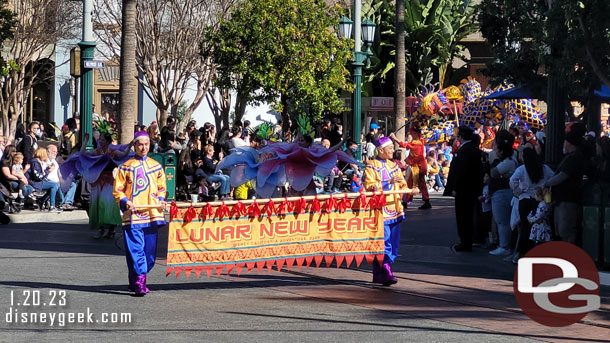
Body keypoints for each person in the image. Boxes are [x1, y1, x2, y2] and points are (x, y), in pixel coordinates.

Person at [113, 131, 167, 296]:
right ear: (135, 146)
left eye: (146, 144)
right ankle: (139, 285)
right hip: (133, 216)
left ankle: (134, 280)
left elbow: (162, 188)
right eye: (140, 144)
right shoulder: (126, 167)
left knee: (149, 254)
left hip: (152, 214)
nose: (143, 148)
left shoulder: (156, 166)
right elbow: (118, 190)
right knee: (136, 250)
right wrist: (125, 201)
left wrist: (162, 199)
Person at [363, 136, 416, 286]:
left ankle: (381, 273)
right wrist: (387, 183)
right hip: (380, 210)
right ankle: (386, 272)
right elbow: (369, 186)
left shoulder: (394, 166)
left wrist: (410, 190)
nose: (393, 150)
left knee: (393, 242)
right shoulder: (371, 166)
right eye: (390, 148)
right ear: (381, 150)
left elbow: (402, 184)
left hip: (394, 209)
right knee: (383, 241)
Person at [509, 147, 553, 262]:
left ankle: (522, 252)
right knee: (539, 226)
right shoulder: (544, 168)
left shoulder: (522, 169)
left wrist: (518, 191)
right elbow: (553, 177)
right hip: (539, 200)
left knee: (525, 227)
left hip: (525, 199)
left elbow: (512, 180)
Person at [544, 122, 586, 245]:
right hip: (562, 199)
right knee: (562, 230)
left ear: (569, 143)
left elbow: (563, 175)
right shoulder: (570, 157)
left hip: (568, 199)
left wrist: (547, 183)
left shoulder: (574, 157)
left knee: (567, 230)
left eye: (565, 142)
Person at [444, 126, 484, 252]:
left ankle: (465, 242)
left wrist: (455, 187)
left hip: (464, 189)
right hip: (471, 189)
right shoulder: (473, 149)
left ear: (461, 137)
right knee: (468, 215)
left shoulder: (465, 151)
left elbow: (461, 171)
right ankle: (468, 240)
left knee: (463, 217)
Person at [488, 130, 518, 256]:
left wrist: (494, 160)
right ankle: (503, 244)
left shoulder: (508, 162)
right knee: (501, 221)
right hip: (501, 193)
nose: (495, 151)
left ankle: (504, 246)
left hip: (503, 193)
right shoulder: (510, 159)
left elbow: (494, 172)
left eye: (498, 149)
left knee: (502, 221)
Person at [389, 126, 431, 209]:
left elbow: (404, 145)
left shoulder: (416, 143)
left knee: (409, 183)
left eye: (412, 132)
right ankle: (426, 201)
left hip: (417, 167)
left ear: (415, 133)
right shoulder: (420, 140)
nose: (410, 134)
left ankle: (405, 202)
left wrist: (394, 137)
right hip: (420, 166)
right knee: (421, 184)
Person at [27, 147, 62, 212]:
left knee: (55, 185)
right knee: (54, 185)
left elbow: (41, 173)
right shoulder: (35, 162)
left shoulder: (39, 162)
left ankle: (41, 200)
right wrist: (48, 171)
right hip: (35, 183)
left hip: (39, 182)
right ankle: (51, 206)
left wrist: (47, 169)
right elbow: (38, 176)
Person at [46, 144, 78, 210]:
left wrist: (62, 179)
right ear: (48, 152)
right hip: (52, 182)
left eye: (56, 152)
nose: (55, 153)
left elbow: (59, 172)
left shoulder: (54, 161)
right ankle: (60, 202)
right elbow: (46, 176)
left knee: (72, 184)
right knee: (57, 188)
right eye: (54, 151)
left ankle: (67, 202)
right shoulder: (45, 161)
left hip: (59, 181)